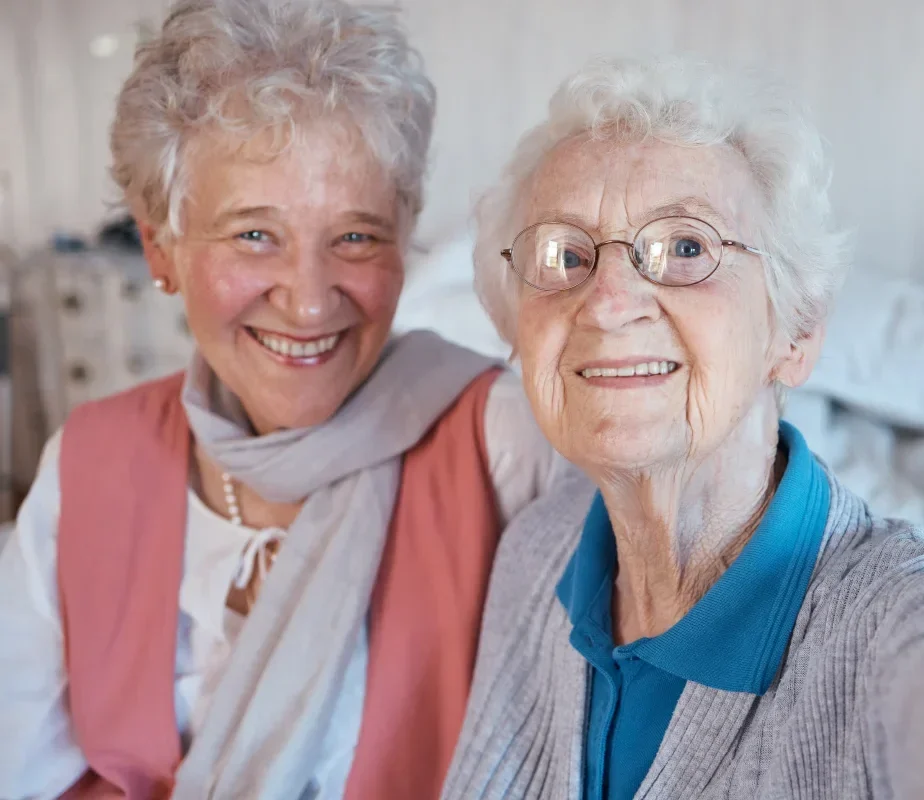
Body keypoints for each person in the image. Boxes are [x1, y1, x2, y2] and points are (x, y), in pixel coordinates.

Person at [441, 56, 924, 799]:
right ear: (517, 330)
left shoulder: (891, 624)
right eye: (567, 255)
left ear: (797, 333)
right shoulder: (537, 551)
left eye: (687, 247)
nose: (610, 300)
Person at [0, 1, 555, 798]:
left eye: (356, 236)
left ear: (405, 243)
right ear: (163, 248)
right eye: (254, 234)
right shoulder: (88, 461)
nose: (306, 302)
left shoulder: (502, 441)